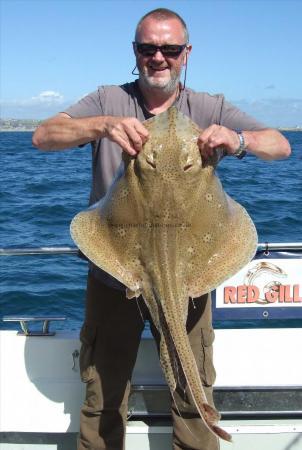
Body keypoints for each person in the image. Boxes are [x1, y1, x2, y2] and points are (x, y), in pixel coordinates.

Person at [32, 8, 291, 450]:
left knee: (194, 395)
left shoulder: (210, 106)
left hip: (190, 279)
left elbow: (281, 145)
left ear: (186, 53)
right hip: (113, 276)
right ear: (134, 51)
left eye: (170, 49)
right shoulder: (107, 99)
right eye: (148, 48)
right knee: (102, 398)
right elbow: (43, 135)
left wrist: (238, 139)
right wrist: (103, 125)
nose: (158, 57)